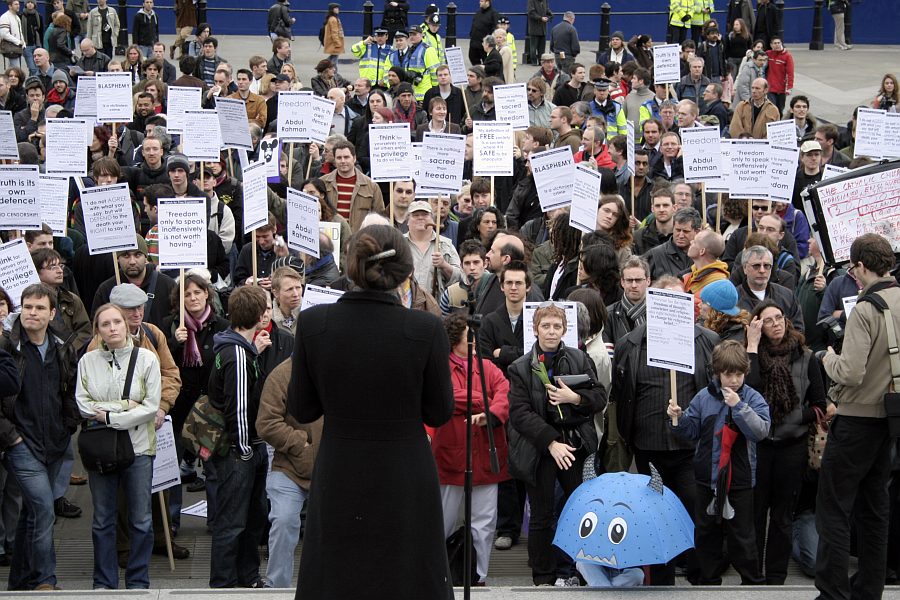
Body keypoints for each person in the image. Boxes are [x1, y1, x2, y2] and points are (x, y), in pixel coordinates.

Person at [289, 224, 454, 599]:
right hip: (406, 474)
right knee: (407, 578)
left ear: (352, 266)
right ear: (405, 270)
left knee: (339, 578)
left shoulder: (314, 323)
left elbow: (302, 408)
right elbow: (439, 412)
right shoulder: (426, 328)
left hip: (340, 470)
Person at [817, 233, 900, 600]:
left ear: (861, 267)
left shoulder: (866, 308)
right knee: (875, 507)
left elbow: (850, 372)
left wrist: (826, 357)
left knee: (834, 508)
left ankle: (832, 592)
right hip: (890, 417)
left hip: (856, 418)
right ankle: (869, 589)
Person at [507, 302, 606, 587]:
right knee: (541, 515)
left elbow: (599, 397)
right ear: (535, 329)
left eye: (557, 326)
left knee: (577, 510)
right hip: (540, 448)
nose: (551, 331)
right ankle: (543, 578)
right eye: (546, 326)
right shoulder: (519, 367)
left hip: (574, 444)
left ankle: (574, 571)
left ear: (564, 330)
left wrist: (575, 398)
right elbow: (520, 413)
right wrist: (550, 442)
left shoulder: (579, 358)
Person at [667, 340, 769, 585]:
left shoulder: (752, 398)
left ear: (746, 372)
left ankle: (752, 584)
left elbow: (761, 431)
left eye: (738, 374)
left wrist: (739, 407)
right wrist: (678, 418)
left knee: (742, 535)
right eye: (728, 374)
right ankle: (708, 582)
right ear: (717, 373)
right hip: (707, 479)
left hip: (740, 479)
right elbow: (691, 432)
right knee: (706, 534)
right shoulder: (704, 397)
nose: (733, 380)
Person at [76, 303, 160, 590]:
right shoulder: (87, 361)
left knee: (141, 519)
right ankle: (104, 581)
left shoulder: (147, 359)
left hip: (139, 449)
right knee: (102, 519)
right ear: (97, 330)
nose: (112, 328)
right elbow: (83, 405)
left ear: (126, 325)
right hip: (101, 449)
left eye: (116, 322)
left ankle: (138, 581)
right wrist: (125, 407)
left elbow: (150, 407)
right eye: (105, 324)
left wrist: (110, 415)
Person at [744, 300, 828, 585]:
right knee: (755, 513)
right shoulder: (751, 355)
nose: (776, 324)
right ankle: (753, 574)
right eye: (768, 320)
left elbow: (819, 404)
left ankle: (776, 577)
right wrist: (752, 346)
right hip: (759, 445)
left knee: (782, 516)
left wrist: (793, 417)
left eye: (779, 317)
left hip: (792, 447)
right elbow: (749, 391)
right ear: (758, 326)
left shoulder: (806, 357)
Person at [0, 285, 76, 592]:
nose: (32, 312)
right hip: (20, 443)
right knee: (44, 508)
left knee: (31, 514)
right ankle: (45, 580)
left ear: (52, 313)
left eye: (40, 307)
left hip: (54, 442)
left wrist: (68, 425)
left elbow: (69, 389)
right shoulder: (7, 346)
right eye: (27, 307)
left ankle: (19, 583)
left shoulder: (62, 345)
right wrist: (11, 438)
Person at [432, 312, 510, 586]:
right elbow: (446, 396)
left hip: (486, 454)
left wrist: (490, 412)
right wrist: (484, 400)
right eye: (469, 337)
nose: (475, 342)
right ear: (455, 339)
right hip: (449, 455)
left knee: (484, 522)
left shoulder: (487, 367)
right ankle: (439, 574)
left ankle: (479, 577)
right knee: (443, 520)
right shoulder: (439, 367)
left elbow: (505, 393)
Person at [256, 358, 322, 589]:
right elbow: (266, 423)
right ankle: (276, 587)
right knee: (283, 520)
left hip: (332, 468)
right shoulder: (281, 374)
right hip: (289, 467)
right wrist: (301, 444)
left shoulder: (340, 367)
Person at [764, 38, 793, 114]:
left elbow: (790, 73)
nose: (777, 45)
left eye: (778, 43)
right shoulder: (768, 54)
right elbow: (757, 55)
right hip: (770, 88)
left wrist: (789, 87)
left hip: (781, 89)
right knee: (772, 109)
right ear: (771, 45)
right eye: (775, 43)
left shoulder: (787, 56)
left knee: (780, 110)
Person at [469, 0, 499, 67]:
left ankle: (485, 71)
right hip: (474, 42)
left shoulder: (494, 14)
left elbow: (495, 28)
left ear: (487, 2)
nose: (479, 2)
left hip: (485, 44)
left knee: (487, 61)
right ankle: (479, 71)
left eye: (482, 1)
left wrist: (489, 40)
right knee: (472, 57)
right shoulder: (478, 13)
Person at [526, 0, 551, 65]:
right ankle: (534, 62)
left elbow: (547, 10)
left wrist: (549, 16)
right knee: (533, 48)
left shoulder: (544, 1)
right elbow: (531, 12)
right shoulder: (531, 1)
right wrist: (540, 18)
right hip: (534, 28)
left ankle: (541, 61)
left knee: (542, 48)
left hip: (543, 29)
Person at [322, 3, 344, 69]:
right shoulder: (333, 19)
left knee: (333, 57)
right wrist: (337, 43)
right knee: (334, 60)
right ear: (332, 10)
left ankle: (323, 67)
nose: (338, 9)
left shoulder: (332, 18)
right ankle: (332, 71)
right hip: (334, 43)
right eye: (336, 8)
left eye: (338, 8)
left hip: (333, 42)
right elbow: (334, 33)